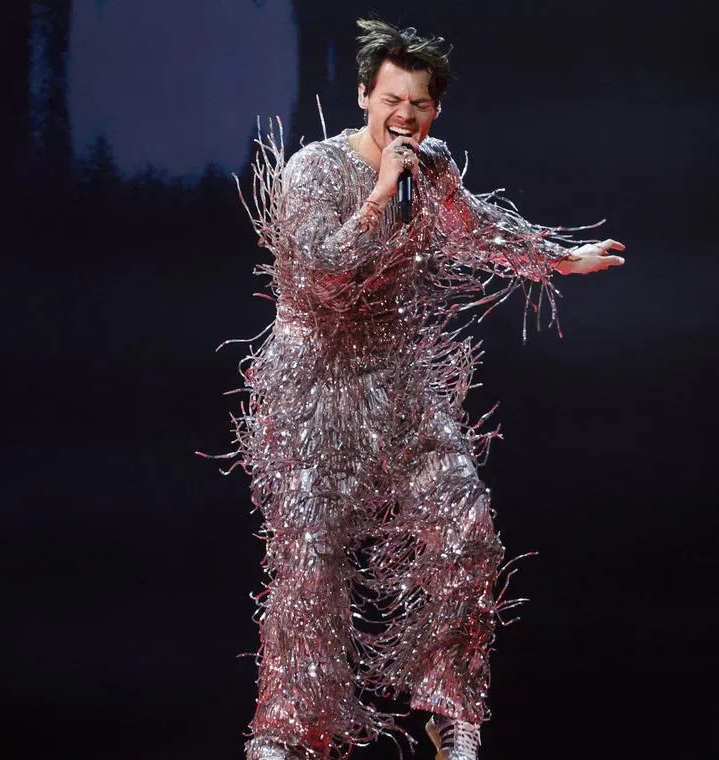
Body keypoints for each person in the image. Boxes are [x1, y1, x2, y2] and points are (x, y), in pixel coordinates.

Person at [227, 18, 624, 760]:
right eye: (392, 100)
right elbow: (320, 273)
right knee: (309, 558)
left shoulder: (432, 165)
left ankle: (453, 712)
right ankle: (283, 731)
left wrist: (563, 259)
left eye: (420, 104)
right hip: (314, 388)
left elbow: (474, 230)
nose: (405, 117)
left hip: (399, 386)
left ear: (434, 111)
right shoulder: (312, 171)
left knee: (466, 531)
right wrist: (379, 194)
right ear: (363, 96)